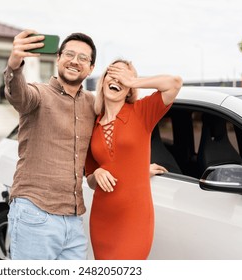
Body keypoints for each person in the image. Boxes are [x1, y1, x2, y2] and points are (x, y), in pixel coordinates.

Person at [3, 29, 97, 260]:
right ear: (58, 58)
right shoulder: (39, 94)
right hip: (35, 213)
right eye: (69, 54)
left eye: (83, 58)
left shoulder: (92, 104)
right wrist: (15, 63)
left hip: (73, 221)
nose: (75, 61)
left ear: (91, 68)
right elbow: (19, 95)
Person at [85, 59, 182, 260]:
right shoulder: (92, 125)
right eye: (113, 74)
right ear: (103, 82)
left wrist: (132, 81)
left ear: (129, 89)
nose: (117, 79)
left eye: (124, 76)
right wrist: (97, 173)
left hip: (135, 219)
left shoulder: (142, 112)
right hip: (102, 218)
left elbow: (175, 82)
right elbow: (90, 180)